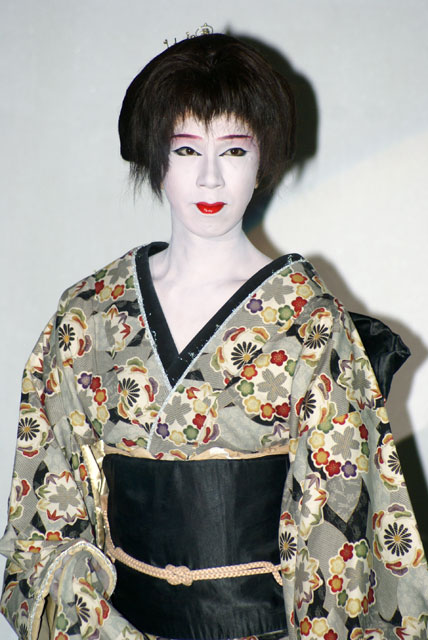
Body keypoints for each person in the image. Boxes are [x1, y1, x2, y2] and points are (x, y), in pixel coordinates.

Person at [1, 32, 427, 640]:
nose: (209, 178)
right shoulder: (90, 317)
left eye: (232, 150)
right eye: (185, 150)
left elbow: (341, 543)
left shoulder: (310, 323)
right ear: (155, 158)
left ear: (262, 159)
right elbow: (46, 519)